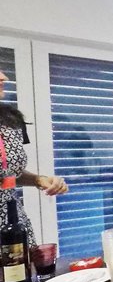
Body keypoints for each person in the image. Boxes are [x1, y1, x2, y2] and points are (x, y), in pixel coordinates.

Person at [0, 70, 69, 245]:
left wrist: (39, 180)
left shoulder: (10, 120)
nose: (4, 77)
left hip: (12, 223)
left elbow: (8, 172)